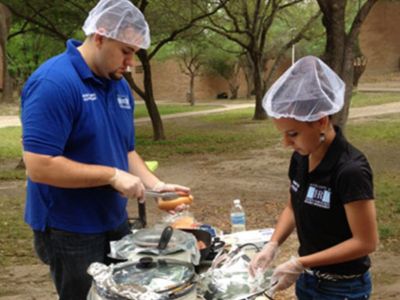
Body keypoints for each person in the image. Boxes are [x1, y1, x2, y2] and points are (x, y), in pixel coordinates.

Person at [21, 0, 190, 299]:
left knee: (121, 293)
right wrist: (112, 176)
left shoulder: (118, 85)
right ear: (99, 36)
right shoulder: (54, 83)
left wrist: (157, 185)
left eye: (134, 54)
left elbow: (125, 150)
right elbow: (39, 165)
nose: (130, 63)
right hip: (68, 227)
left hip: (113, 220)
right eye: (125, 52)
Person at [249, 56, 378, 299]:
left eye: (293, 134)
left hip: (343, 288)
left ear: (320, 121)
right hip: (308, 280)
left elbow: (366, 242)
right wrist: (273, 244)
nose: (286, 143)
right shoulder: (301, 157)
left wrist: (300, 262)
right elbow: (292, 205)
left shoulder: (350, 170)